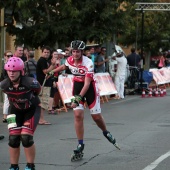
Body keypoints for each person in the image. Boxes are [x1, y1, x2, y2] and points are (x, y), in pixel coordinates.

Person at [49, 40, 120, 160]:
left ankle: (105, 131)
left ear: (82, 52)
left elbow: (87, 84)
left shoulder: (88, 63)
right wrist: (53, 71)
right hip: (77, 86)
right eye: (74, 51)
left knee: (96, 117)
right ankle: (80, 143)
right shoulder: (70, 59)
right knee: (77, 115)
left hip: (90, 88)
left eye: (78, 52)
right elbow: (64, 66)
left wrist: (78, 98)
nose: (75, 54)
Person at [0, 57, 41, 170]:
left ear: (21, 71)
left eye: (15, 71)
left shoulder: (30, 82)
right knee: (13, 139)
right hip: (14, 111)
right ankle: (14, 166)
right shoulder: (4, 84)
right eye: (9, 71)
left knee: (26, 138)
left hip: (31, 110)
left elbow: (38, 91)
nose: (12, 73)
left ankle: (30, 166)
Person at [36, 46, 56, 124]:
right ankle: (41, 119)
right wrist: (53, 65)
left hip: (45, 83)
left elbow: (48, 73)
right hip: (43, 84)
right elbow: (45, 71)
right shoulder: (42, 61)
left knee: (43, 102)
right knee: (43, 103)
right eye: (45, 52)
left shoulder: (45, 60)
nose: (46, 54)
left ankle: (41, 119)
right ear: (42, 52)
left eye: (48, 52)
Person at [0, 50, 13, 123]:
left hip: (9, 83)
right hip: (6, 84)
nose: (10, 57)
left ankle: (7, 116)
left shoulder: (11, 63)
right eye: (8, 56)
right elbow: (4, 76)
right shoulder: (5, 65)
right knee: (7, 100)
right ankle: (5, 116)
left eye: (11, 56)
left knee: (10, 100)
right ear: (5, 57)